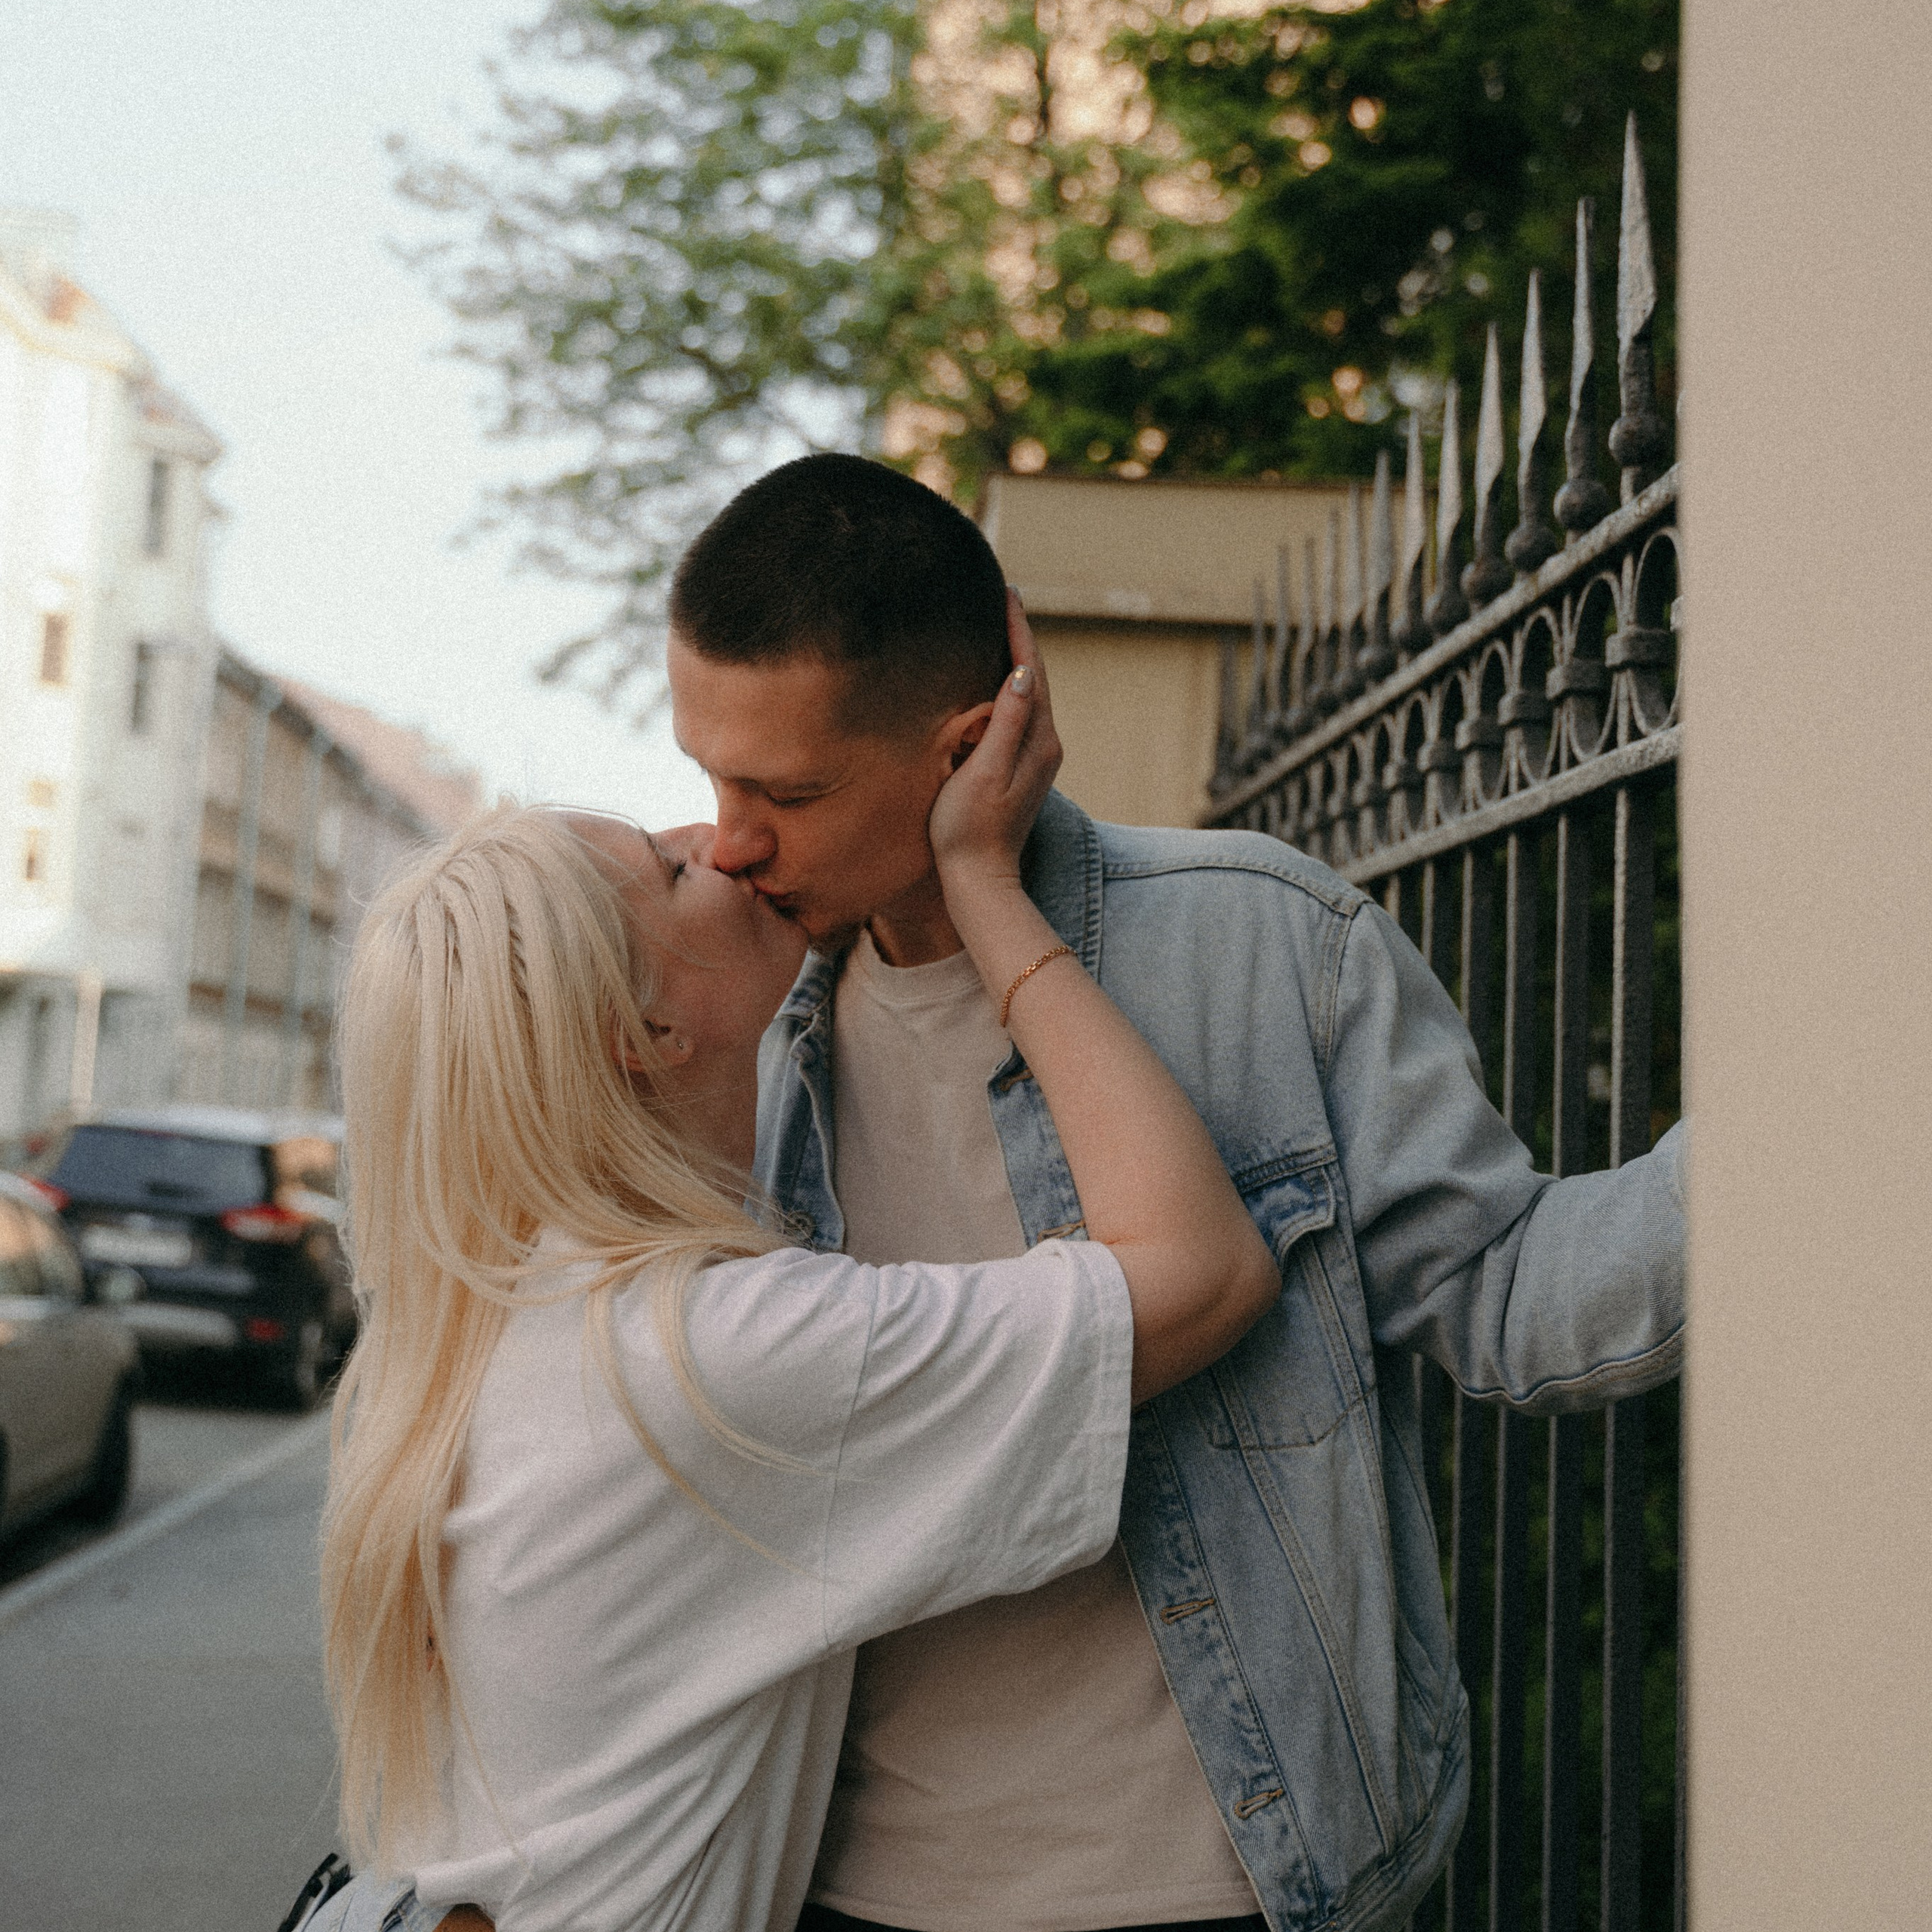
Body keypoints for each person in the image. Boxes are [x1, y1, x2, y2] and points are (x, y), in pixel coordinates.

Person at [663, 452, 1687, 1932]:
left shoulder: (1263, 946)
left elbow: (1507, 1295)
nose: (730, 837)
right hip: (843, 1886)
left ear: (968, 746)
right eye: (708, 775)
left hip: (1241, 1882)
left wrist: (1813, 1133)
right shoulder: (741, 1041)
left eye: (787, 789)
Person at [301, 645, 1280, 1932]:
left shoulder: (506, 1317)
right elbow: (1203, 1274)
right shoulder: (701, 1362)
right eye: (665, 869)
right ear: (645, 1031)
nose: (717, 841)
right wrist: (986, 885)